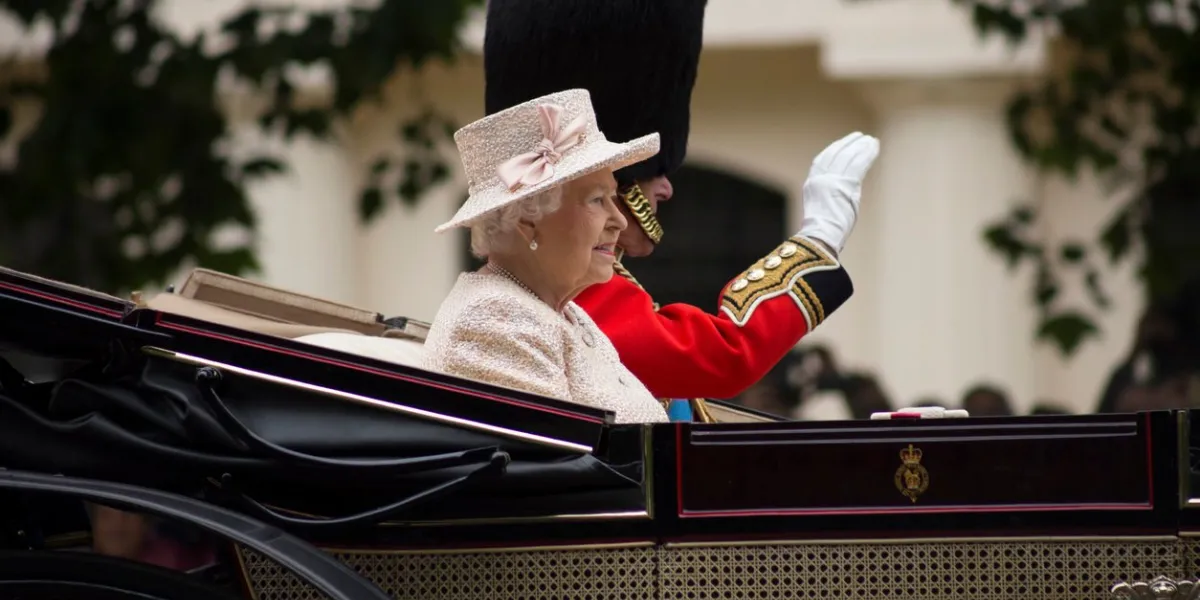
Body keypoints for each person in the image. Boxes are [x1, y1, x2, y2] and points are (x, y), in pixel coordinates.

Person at [484, 0, 878, 420]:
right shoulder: (572, 295)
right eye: (654, 170)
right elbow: (724, 354)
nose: (668, 187)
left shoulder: (581, 285)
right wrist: (817, 241)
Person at [424, 89, 669, 424]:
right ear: (528, 220)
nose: (620, 221)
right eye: (597, 200)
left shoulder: (563, 312)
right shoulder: (497, 319)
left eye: (613, 197)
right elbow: (565, 471)